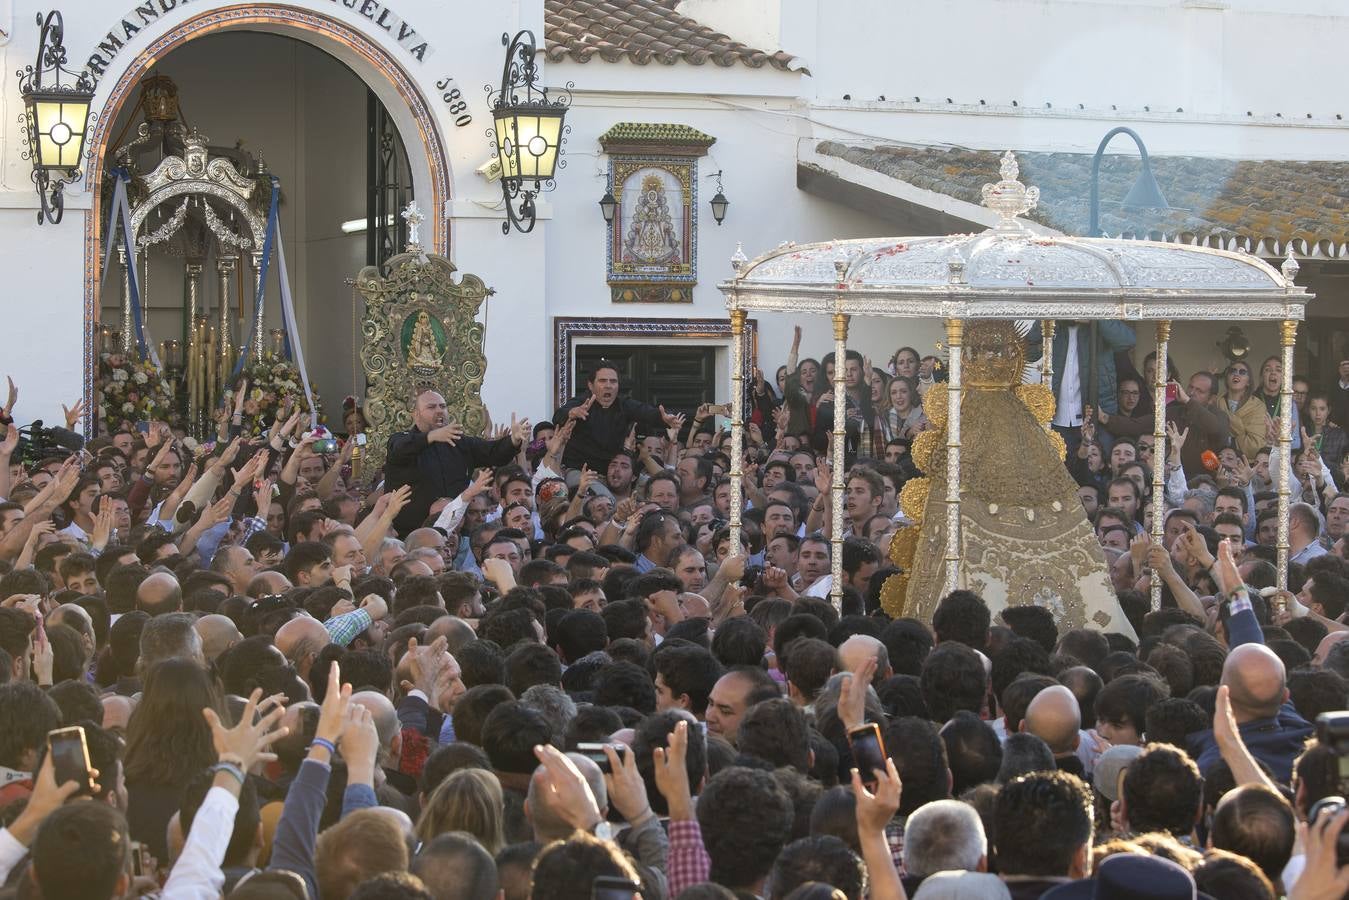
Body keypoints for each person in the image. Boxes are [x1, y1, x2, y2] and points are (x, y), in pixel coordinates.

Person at [386, 389, 529, 537]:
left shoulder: (460, 443)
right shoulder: (402, 440)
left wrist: (513, 440)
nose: (439, 411)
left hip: (456, 532)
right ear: (416, 414)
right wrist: (432, 436)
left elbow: (493, 453)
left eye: (443, 406)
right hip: (409, 534)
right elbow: (399, 450)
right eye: (431, 407)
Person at [552, 361, 683, 472]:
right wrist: (572, 413)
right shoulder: (581, 402)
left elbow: (647, 412)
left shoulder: (623, 404)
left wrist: (665, 419)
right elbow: (558, 416)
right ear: (591, 385)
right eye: (602, 381)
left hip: (613, 472)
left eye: (613, 381)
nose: (608, 385)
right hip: (578, 471)